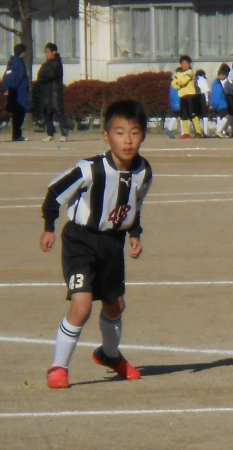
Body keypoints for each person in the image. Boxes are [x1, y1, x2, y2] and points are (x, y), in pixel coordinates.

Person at [39, 100, 153, 389]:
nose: (127, 141)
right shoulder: (90, 169)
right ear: (106, 136)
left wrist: (134, 234)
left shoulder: (144, 172)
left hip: (112, 243)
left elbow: (134, 205)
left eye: (134, 133)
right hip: (81, 240)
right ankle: (58, 368)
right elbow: (54, 194)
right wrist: (49, 227)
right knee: (82, 306)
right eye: (119, 133)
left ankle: (109, 355)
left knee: (115, 306)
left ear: (143, 136)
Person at [36, 42, 70, 142]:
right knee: (47, 114)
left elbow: (52, 75)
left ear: (54, 52)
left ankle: (64, 134)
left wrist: (44, 76)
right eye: (45, 52)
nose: (46, 54)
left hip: (55, 92)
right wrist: (43, 77)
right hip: (46, 92)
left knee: (59, 113)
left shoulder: (57, 63)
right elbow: (39, 76)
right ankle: (50, 134)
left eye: (48, 52)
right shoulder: (45, 64)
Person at [1, 43, 30, 142]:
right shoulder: (19, 63)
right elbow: (16, 78)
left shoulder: (11, 62)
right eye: (25, 51)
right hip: (19, 93)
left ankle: (16, 134)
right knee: (19, 113)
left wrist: (6, 88)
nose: (26, 53)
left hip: (13, 92)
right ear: (22, 52)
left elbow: (6, 76)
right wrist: (10, 89)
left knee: (16, 114)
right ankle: (17, 135)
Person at [170, 55, 203, 139]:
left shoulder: (190, 72)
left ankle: (198, 132)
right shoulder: (178, 73)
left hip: (190, 96)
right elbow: (173, 84)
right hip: (182, 96)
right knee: (183, 115)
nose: (184, 65)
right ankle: (186, 133)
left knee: (193, 114)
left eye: (186, 63)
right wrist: (178, 84)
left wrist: (178, 83)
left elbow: (183, 82)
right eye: (183, 63)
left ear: (189, 64)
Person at [209, 64, 232, 138]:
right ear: (222, 75)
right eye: (225, 76)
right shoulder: (217, 84)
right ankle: (218, 130)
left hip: (219, 104)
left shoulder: (215, 83)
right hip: (221, 104)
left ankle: (219, 131)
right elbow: (216, 95)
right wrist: (213, 105)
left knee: (219, 117)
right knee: (227, 116)